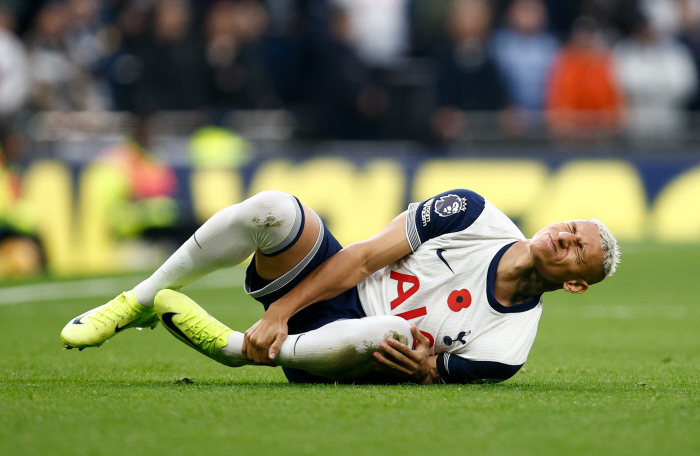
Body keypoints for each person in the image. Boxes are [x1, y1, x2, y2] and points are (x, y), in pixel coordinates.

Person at [60, 189, 620, 385]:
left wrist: (425, 371)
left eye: (577, 251)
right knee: (274, 210)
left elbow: (425, 375)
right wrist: (281, 308)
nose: (562, 239)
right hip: (327, 285)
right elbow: (361, 258)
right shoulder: (470, 213)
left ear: (574, 284)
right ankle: (136, 300)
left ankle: (235, 351)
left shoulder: (507, 350)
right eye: (569, 228)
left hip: (341, 353)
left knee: (396, 334)